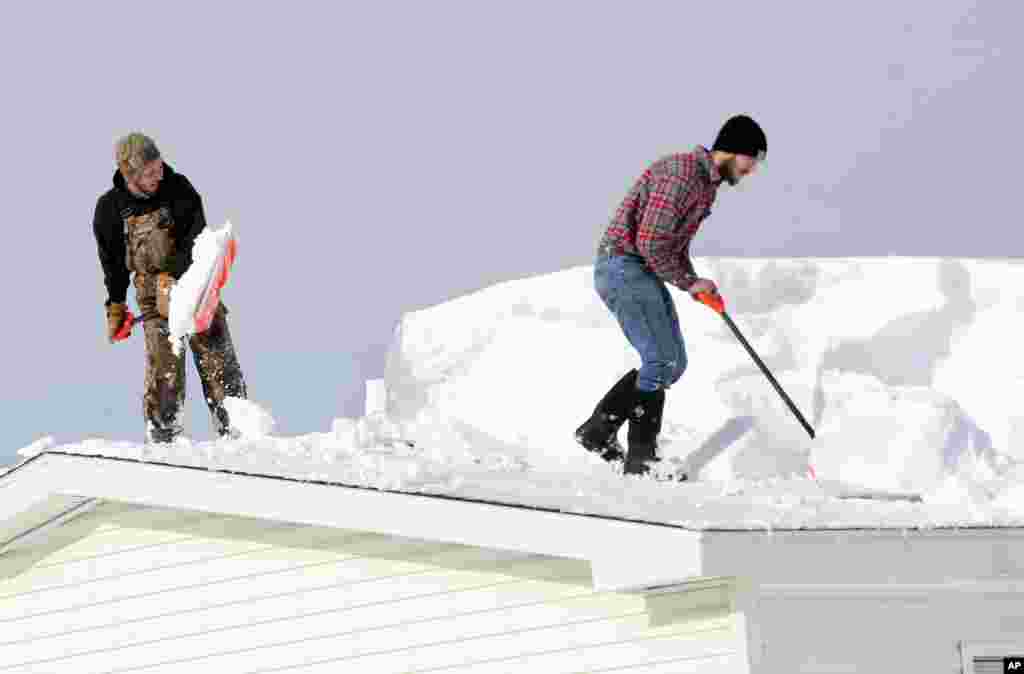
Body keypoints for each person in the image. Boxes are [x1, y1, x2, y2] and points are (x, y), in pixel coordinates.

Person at [575, 115, 767, 476]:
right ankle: (640, 460)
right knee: (660, 361)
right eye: (752, 159)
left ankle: (598, 431)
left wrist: (693, 281)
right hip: (624, 266)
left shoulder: (705, 185)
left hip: (640, 270)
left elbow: (671, 246)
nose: (753, 169)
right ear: (734, 150)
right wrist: (687, 282)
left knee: (672, 364)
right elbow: (649, 241)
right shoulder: (681, 175)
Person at [93, 132, 247, 442]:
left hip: (197, 289)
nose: (158, 175)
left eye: (159, 167)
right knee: (164, 380)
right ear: (130, 174)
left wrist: (174, 275)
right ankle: (165, 447)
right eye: (150, 172)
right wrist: (116, 305)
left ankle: (240, 436)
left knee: (222, 370)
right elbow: (112, 262)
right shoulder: (110, 209)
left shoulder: (179, 188)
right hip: (154, 304)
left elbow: (198, 236)